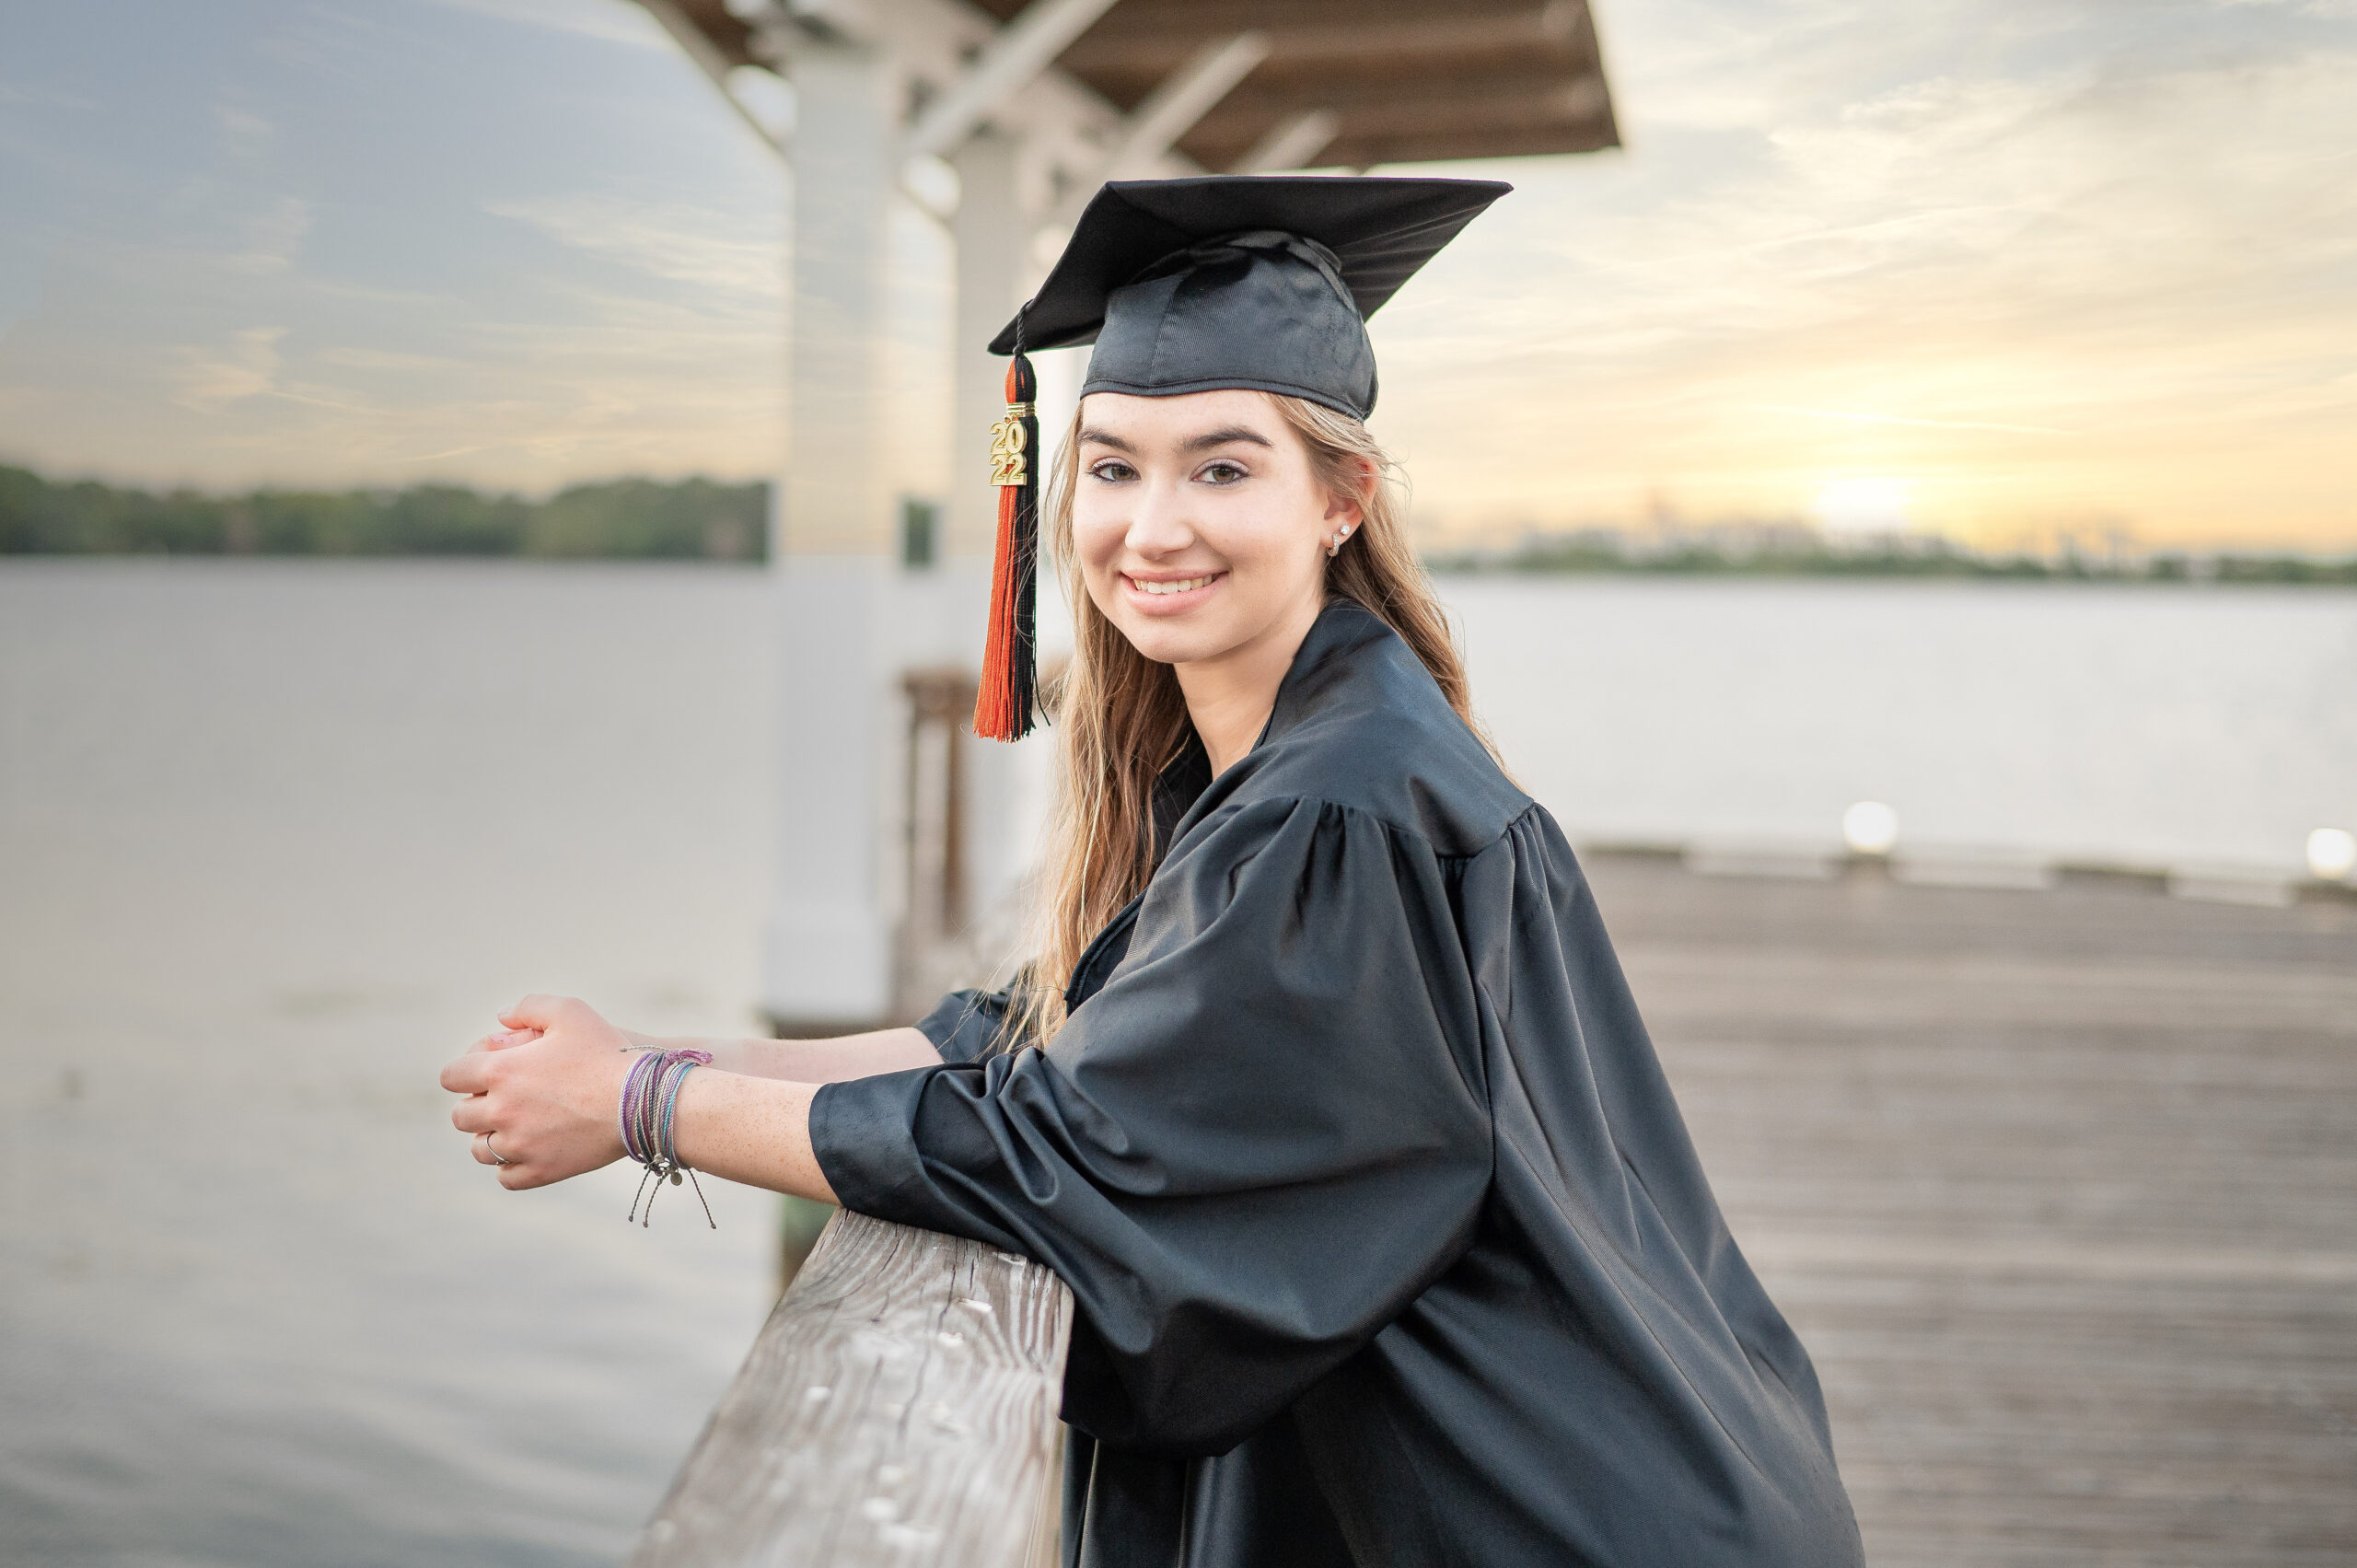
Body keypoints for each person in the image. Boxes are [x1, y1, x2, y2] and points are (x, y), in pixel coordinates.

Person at [442, 175, 1864, 1568]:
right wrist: (662, 1051)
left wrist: (644, 1109)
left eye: (1224, 467)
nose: (1152, 525)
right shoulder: (1278, 756)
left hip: (1549, 1512)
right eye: (1114, 466)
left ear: (1341, 500)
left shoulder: (1340, 812)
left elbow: (1076, 1175)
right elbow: (1023, 1055)